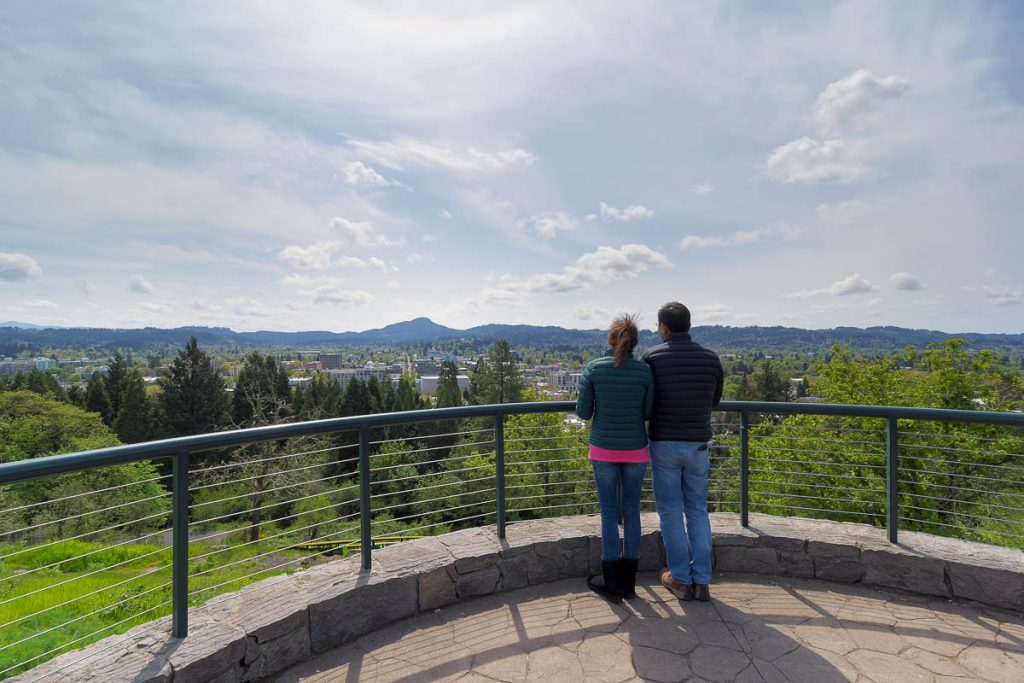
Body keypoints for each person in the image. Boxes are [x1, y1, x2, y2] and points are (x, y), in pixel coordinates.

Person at [642, 302, 723, 602]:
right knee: (698, 511)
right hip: (698, 444)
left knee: (670, 512)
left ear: (663, 328)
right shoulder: (711, 359)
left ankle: (680, 578)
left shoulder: (652, 358)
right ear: (689, 326)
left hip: (664, 442)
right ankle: (702, 581)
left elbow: (646, 401)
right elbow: (714, 401)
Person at [575, 314, 654, 602]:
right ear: (635, 343)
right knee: (632, 512)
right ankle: (630, 584)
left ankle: (612, 583)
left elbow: (583, 412)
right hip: (635, 449)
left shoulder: (594, 369)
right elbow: (647, 412)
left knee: (609, 513)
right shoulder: (644, 372)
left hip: (604, 449)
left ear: (610, 339)